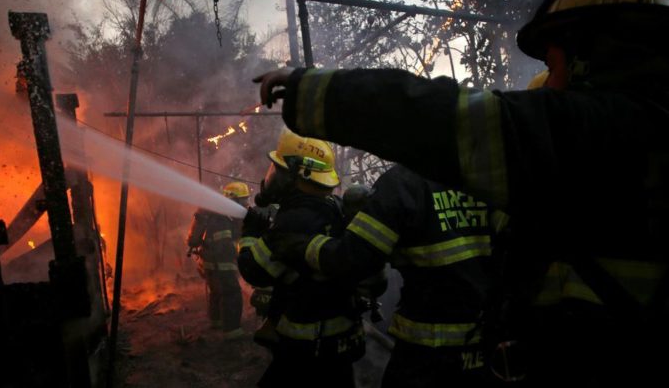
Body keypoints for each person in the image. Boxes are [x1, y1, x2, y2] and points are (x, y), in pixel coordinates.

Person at [253, 0, 669, 386]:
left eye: (551, 62)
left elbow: (443, 122)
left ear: (587, 55)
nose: (550, 84)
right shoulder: (626, 138)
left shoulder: (592, 130)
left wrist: (314, 92)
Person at [271, 163, 497, 388]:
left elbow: (353, 259)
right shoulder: (491, 179)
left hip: (427, 355)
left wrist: (302, 245)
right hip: (490, 349)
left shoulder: (403, 184)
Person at [237, 129, 371, 388]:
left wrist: (250, 235)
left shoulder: (294, 220)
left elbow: (254, 271)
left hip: (306, 348)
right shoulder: (334, 206)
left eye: (279, 170)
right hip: (341, 340)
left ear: (298, 175)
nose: (273, 177)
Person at [186, 181, 249, 340]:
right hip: (221, 263)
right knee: (231, 293)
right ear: (233, 200)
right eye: (243, 199)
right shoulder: (222, 219)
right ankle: (232, 332)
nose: (246, 203)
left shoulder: (220, 214)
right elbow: (224, 246)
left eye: (246, 199)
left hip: (210, 263)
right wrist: (240, 256)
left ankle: (216, 321)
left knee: (216, 292)